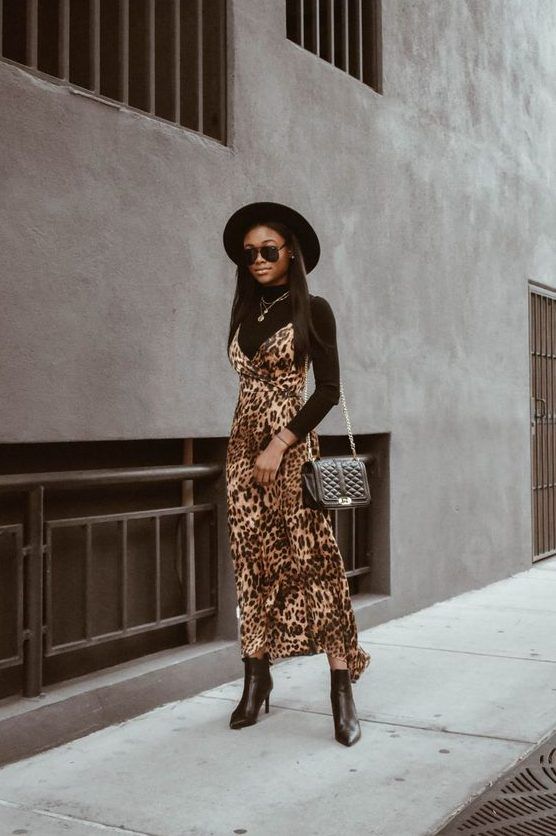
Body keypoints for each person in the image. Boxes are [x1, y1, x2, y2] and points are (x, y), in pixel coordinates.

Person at [222, 201, 371, 746]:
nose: (258, 259)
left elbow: (328, 391)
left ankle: (340, 683)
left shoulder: (315, 309)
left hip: (290, 450)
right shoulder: (245, 310)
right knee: (253, 566)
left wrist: (280, 444)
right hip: (241, 451)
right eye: (249, 253)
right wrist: (253, 450)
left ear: (290, 254)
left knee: (314, 562)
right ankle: (256, 681)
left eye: (268, 250)